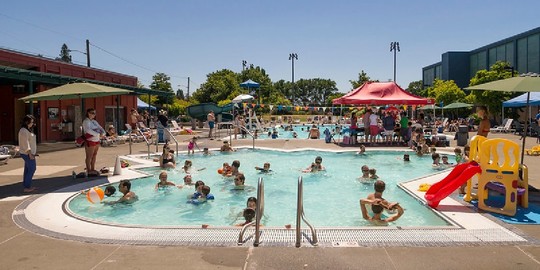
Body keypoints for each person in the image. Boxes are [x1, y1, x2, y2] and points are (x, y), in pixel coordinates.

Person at [82, 108, 106, 177]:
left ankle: (93, 168)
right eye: (92, 113)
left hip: (96, 140)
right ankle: (88, 170)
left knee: (94, 155)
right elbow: (88, 130)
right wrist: (98, 134)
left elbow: (101, 128)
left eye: (94, 113)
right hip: (90, 140)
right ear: (88, 113)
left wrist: (103, 133)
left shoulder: (94, 121)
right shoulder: (86, 121)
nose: (93, 114)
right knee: (89, 156)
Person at [19, 115, 38, 193]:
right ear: (27, 122)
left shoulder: (27, 130)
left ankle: (27, 185)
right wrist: (30, 153)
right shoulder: (23, 131)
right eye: (31, 122)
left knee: (27, 169)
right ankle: (27, 187)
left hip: (29, 153)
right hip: (27, 153)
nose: (32, 124)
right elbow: (25, 143)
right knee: (32, 169)